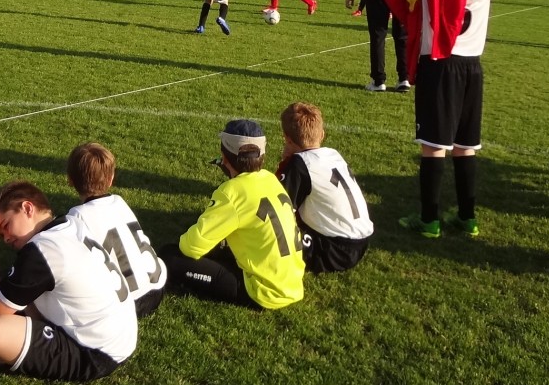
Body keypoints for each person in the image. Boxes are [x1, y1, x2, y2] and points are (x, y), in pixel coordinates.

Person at [391, 0, 515, 238]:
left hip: (440, 65)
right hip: (472, 68)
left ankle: (429, 220)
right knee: (465, 146)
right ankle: (467, 216)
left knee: (433, 145)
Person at [0, 181, 138, 381]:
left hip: (93, 352)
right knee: (18, 294)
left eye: (5, 226)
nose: (5, 238)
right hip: (121, 337)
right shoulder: (71, 224)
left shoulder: (43, 249)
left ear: (27, 208)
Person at [160, 120, 305, 310]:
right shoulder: (270, 178)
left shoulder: (232, 192)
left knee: (169, 257)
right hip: (291, 281)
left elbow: (191, 247)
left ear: (225, 157)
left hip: (262, 291)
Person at [64, 143, 167, 317]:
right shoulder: (119, 202)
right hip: (157, 288)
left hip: (127, 302)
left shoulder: (76, 217)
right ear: (111, 179)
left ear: (70, 180)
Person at [275, 102, 374, 274]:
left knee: (273, 232)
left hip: (333, 249)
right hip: (362, 242)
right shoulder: (333, 154)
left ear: (287, 138)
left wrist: (285, 164)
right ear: (322, 134)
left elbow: (276, 208)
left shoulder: (300, 165)